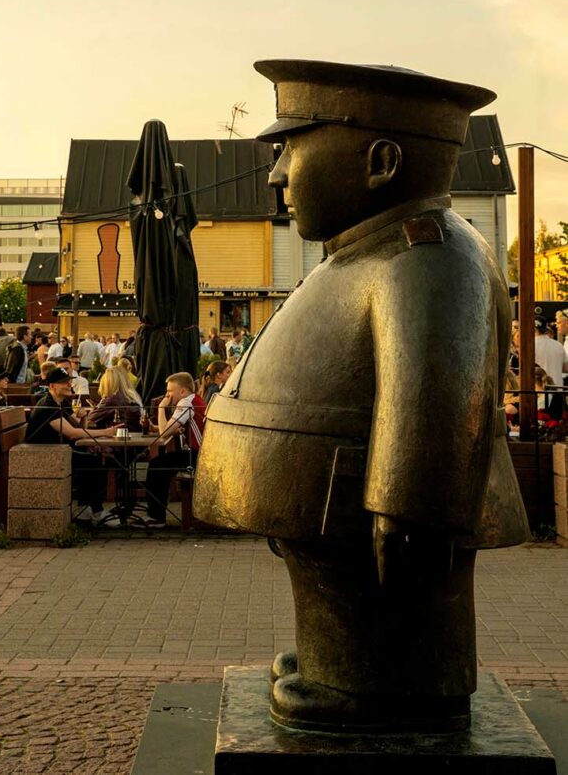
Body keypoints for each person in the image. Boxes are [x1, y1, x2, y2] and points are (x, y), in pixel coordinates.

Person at [194, 58, 529, 732]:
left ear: (380, 162)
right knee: (334, 587)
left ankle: (386, 684)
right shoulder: (364, 250)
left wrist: (409, 506)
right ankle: (337, 664)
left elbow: (434, 403)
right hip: (328, 503)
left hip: (368, 507)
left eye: (293, 147)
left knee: (388, 594)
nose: (276, 173)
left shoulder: (427, 256)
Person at [25, 366, 120, 525]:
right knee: (93, 463)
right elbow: (72, 434)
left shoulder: (63, 402)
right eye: (64, 382)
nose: (69, 384)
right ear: (52, 386)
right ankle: (95, 511)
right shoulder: (48, 405)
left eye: (69, 381)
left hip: (59, 451)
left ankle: (85, 510)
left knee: (96, 458)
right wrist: (108, 432)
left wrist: (83, 418)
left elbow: (77, 429)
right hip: (43, 455)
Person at [144, 372, 207, 528]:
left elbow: (164, 434)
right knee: (160, 464)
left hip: (198, 455)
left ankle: (156, 517)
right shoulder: (193, 400)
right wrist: (154, 427)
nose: (167, 395)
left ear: (183, 391)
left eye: (170, 391)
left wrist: (161, 408)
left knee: (156, 466)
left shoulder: (185, 403)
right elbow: (170, 429)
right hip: (201, 453)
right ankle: (157, 515)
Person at [534, 317, 566, 388]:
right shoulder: (558, 345)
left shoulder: (530, 346)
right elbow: (565, 368)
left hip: (539, 391)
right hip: (558, 390)